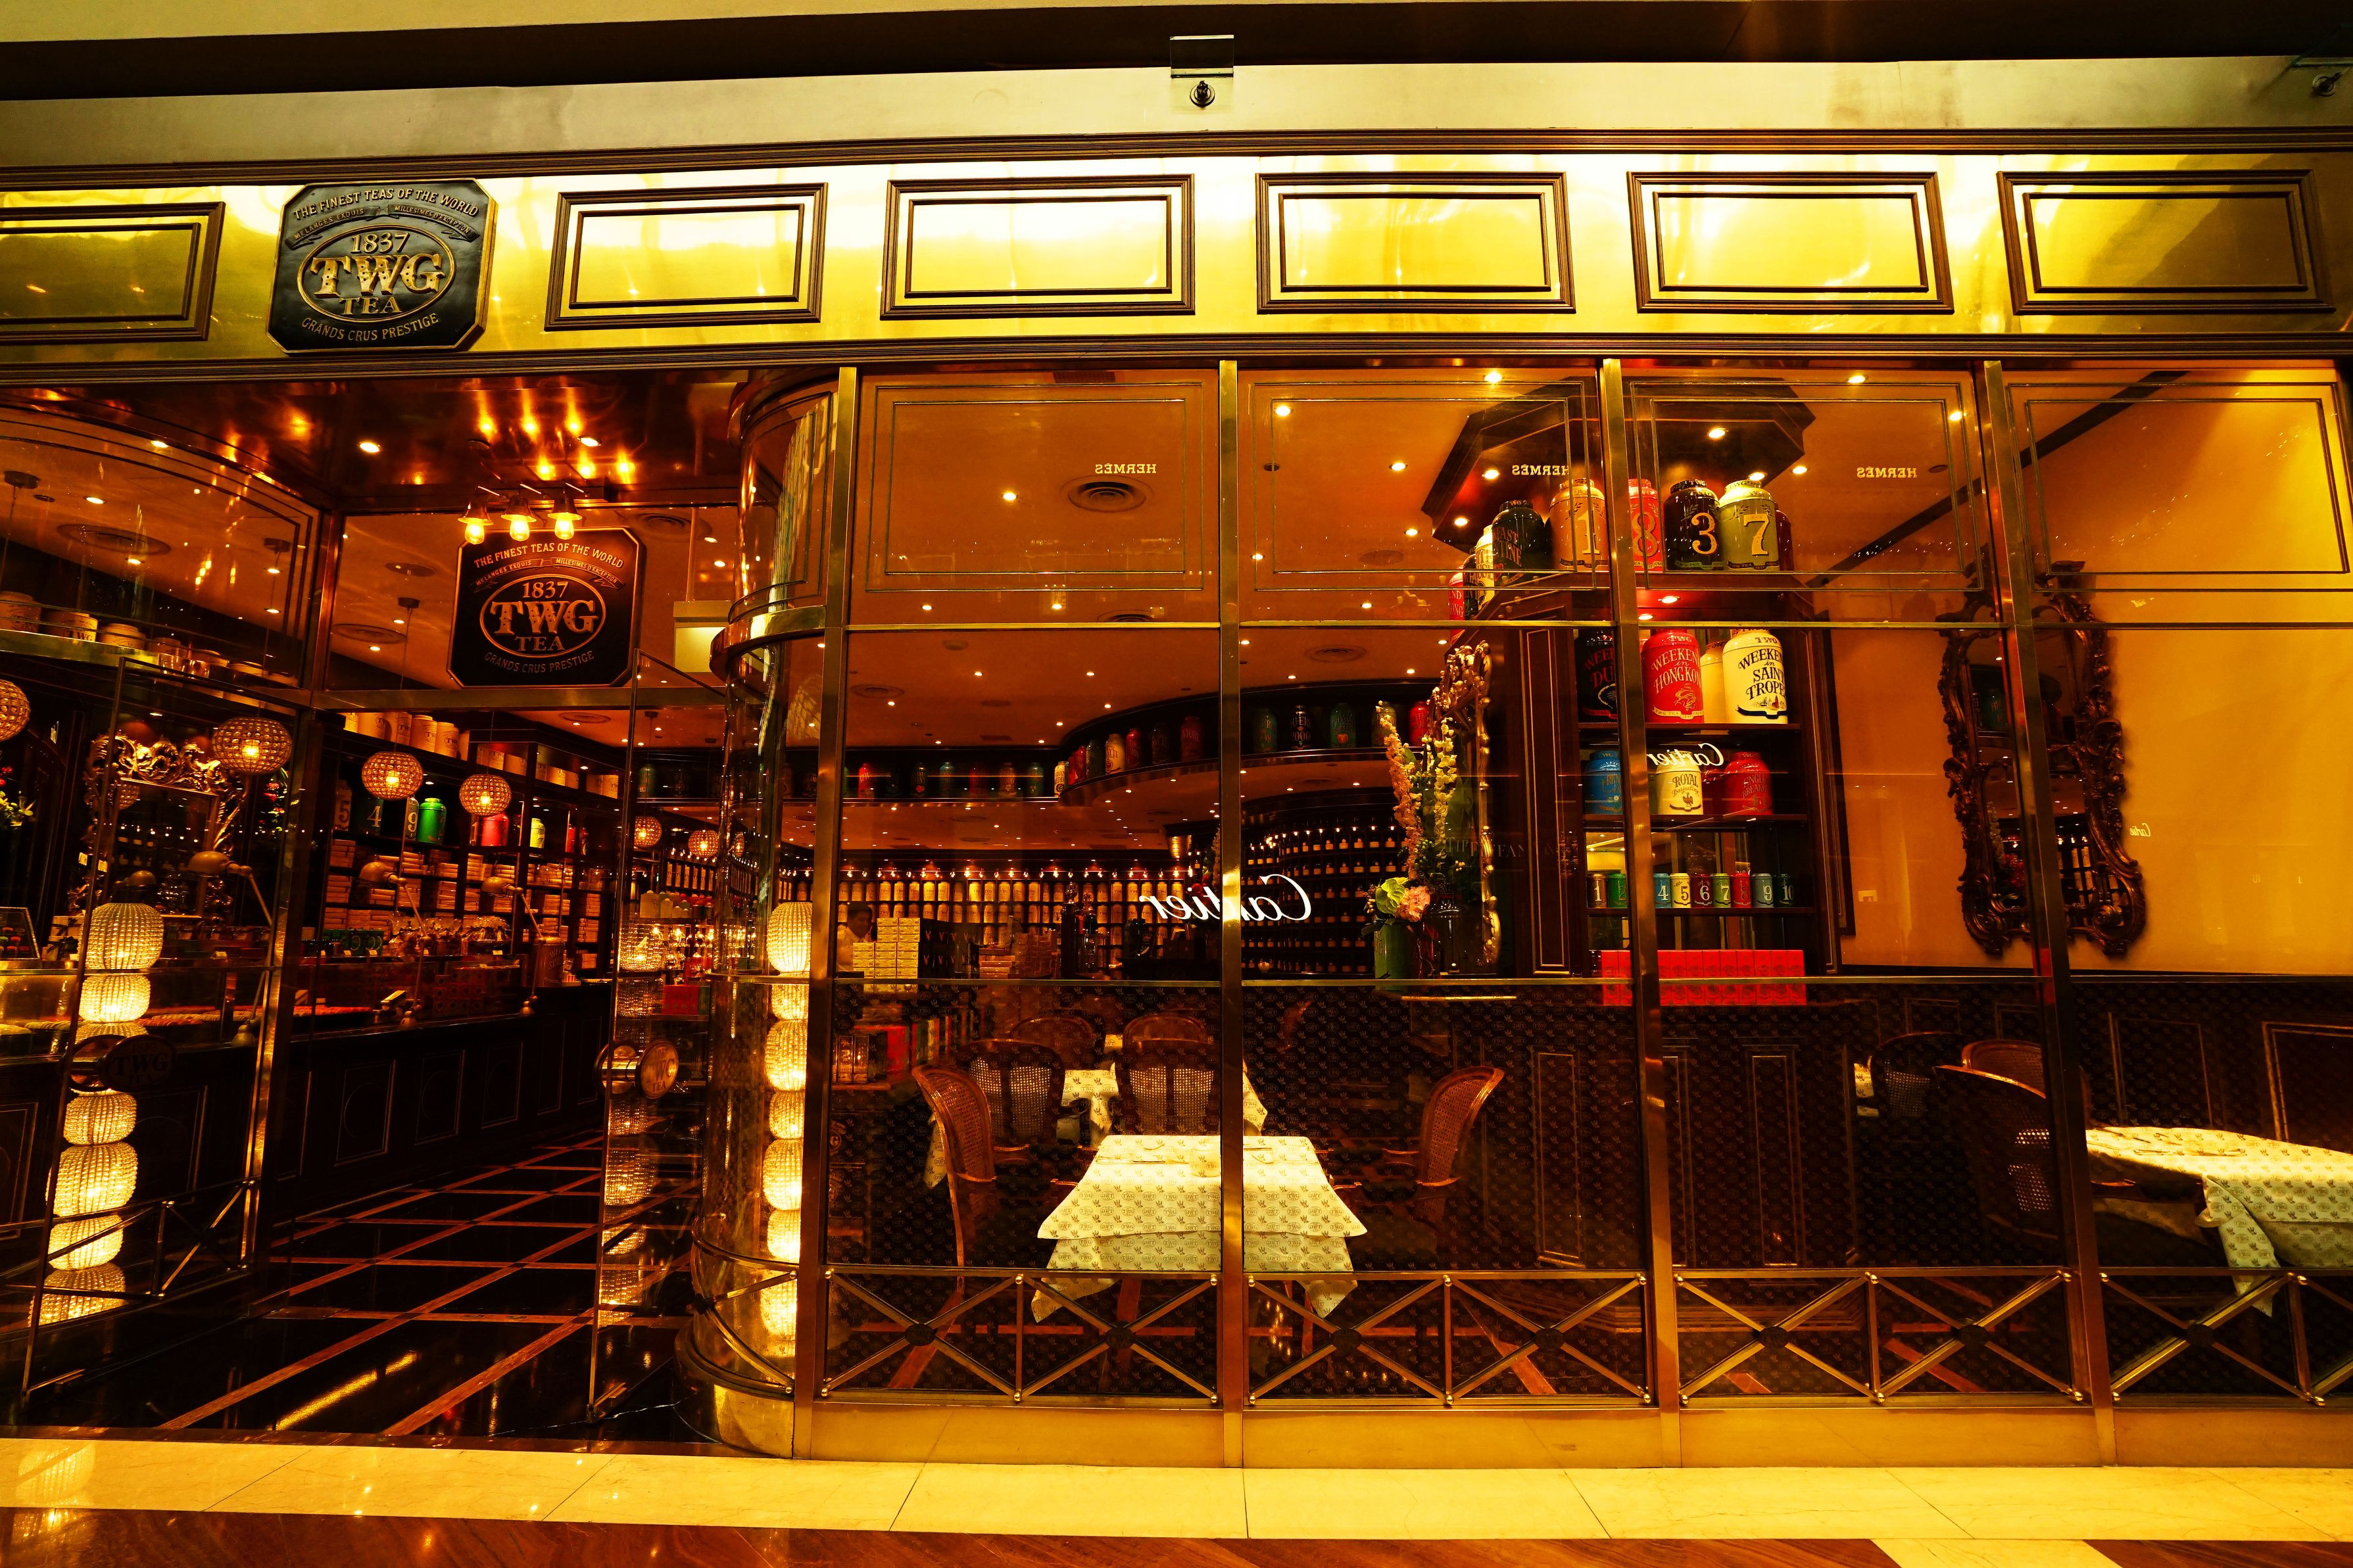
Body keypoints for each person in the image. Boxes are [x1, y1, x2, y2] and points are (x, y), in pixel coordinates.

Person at [835, 901, 875, 972]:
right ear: (849, 920)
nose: (866, 924)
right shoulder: (837, 941)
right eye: (861, 920)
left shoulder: (867, 946)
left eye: (868, 920)